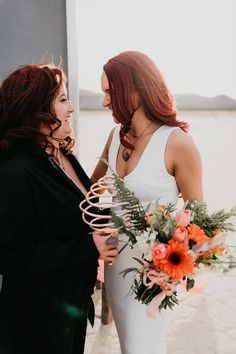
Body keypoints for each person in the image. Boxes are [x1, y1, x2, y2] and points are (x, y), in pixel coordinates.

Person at [0, 63, 118, 354]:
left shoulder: (61, 154)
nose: (72, 108)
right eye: (63, 99)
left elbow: (70, 216)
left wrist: (124, 212)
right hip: (34, 322)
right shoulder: (14, 172)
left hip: (71, 309)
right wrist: (90, 246)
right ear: (37, 107)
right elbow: (11, 256)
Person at [91, 51, 203, 354]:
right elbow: (88, 190)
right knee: (130, 345)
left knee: (144, 347)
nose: (104, 101)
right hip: (115, 268)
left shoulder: (177, 143)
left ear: (136, 89)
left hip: (153, 277)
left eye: (108, 92)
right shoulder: (115, 136)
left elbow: (200, 223)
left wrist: (170, 271)